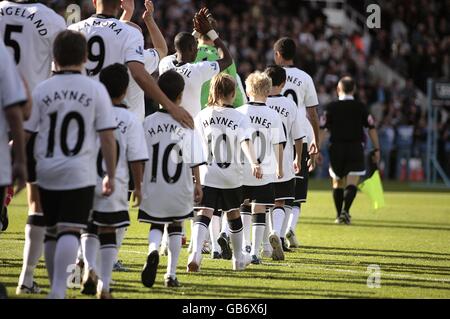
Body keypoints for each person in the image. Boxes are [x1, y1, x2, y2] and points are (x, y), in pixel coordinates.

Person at [24, 30, 117, 299]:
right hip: (80, 171)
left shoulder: (42, 88)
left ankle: (56, 289)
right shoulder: (95, 89)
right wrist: (110, 173)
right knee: (71, 230)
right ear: (85, 57)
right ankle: (57, 291)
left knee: (52, 230)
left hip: (46, 170)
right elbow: (107, 138)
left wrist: (13, 157)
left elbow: (27, 133)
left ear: (54, 57)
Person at [0, 0, 66, 295]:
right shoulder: (52, 20)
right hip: (31, 120)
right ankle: (25, 279)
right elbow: (62, 68)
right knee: (37, 201)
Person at [78, 63, 148, 299]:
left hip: (87, 180)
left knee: (89, 227)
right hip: (115, 180)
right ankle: (104, 286)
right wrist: (138, 187)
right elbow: (137, 157)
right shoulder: (129, 119)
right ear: (126, 90)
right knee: (108, 230)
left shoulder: (90, 113)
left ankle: (88, 268)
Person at [68, 0, 193, 128]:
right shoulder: (133, 42)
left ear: (94, 2)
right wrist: (171, 107)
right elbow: (159, 51)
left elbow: (108, 32)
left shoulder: (72, 30)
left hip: (83, 115)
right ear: (118, 4)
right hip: (125, 124)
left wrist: (127, 14)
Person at [138, 70, 205, 288]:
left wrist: (138, 183)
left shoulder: (147, 122)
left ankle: (152, 250)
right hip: (179, 185)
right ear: (181, 95)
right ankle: (170, 274)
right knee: (176, 225)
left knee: (156, 223)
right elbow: (194, 159)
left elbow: (139, 156)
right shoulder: (186, 122)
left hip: (153, 183)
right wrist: (198, 184)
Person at [192, 73, 262, 271]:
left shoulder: (202, 115)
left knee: (204, 211)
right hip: (231, 175)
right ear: (232, 93)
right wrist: (255, 162)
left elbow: (194, 144)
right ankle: (239, 258)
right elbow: (245, 141)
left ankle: (195, 253)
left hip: (207, 173)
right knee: (233, 213)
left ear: (213, 91)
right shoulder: (240, 117)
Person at [273, 37, 320, 248]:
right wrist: (316, 141)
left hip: (272, 137)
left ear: (277, 55)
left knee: (270, 190)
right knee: (296, 192)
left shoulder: (268, 75)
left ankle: (271, 233)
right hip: (299, 136)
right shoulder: (305, 78)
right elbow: (312, 113)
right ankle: (288, 229)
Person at [237, 72, 286, 263]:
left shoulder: (239, 112)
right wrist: (280, 167)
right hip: (265, 169)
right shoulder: (273, 115)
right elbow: (278, 144)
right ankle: (255, 251)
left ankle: (245, 245)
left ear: (248, 90)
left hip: (242, 167)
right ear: (267, 92)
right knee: (259, 207)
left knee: (243, 206)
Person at [321, 76, 380, 224]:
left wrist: (316, 148)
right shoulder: (361, 107)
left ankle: (338, 214)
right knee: (352, 182)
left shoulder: (331, 107)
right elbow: (371, 128)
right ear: (354, 90)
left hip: (336, 148)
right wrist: (376, 149)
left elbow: (323, 129)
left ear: (338, 89)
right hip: (355, 148)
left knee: (337, 183)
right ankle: (345, 212)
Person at [158, 8, 232, 118]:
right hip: (189, 129)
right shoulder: (198, 70)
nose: (197, 50)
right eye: (196, 47)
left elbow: (181, 46)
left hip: (164, 123)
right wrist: (211, 32)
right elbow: (227, 59)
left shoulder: (164, 63)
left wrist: (197, 32)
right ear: (192, 48)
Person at [264, 66, 305, 254]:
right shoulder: (290, 105)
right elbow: (298, 136)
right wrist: (298, 157)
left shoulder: (258, 102)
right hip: (284, 158)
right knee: (281, 201)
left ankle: (263, 244)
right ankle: (277, 234)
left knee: (260, 203)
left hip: (260, 160)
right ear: (283, 83)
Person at [120, 0, 168, 121]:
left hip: (105, 123)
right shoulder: (140, 57)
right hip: (133, 126)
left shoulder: (107, 51)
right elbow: (162, 49)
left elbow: (118, 34)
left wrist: (127, 12)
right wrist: (149, 20)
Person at [194, 15, 246, 109]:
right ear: (216, 34)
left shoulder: (187, 55)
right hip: (215, 116)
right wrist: (240, 110)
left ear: (198, 34)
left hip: (189, 114)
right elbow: (234, 89)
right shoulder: (225, 58)